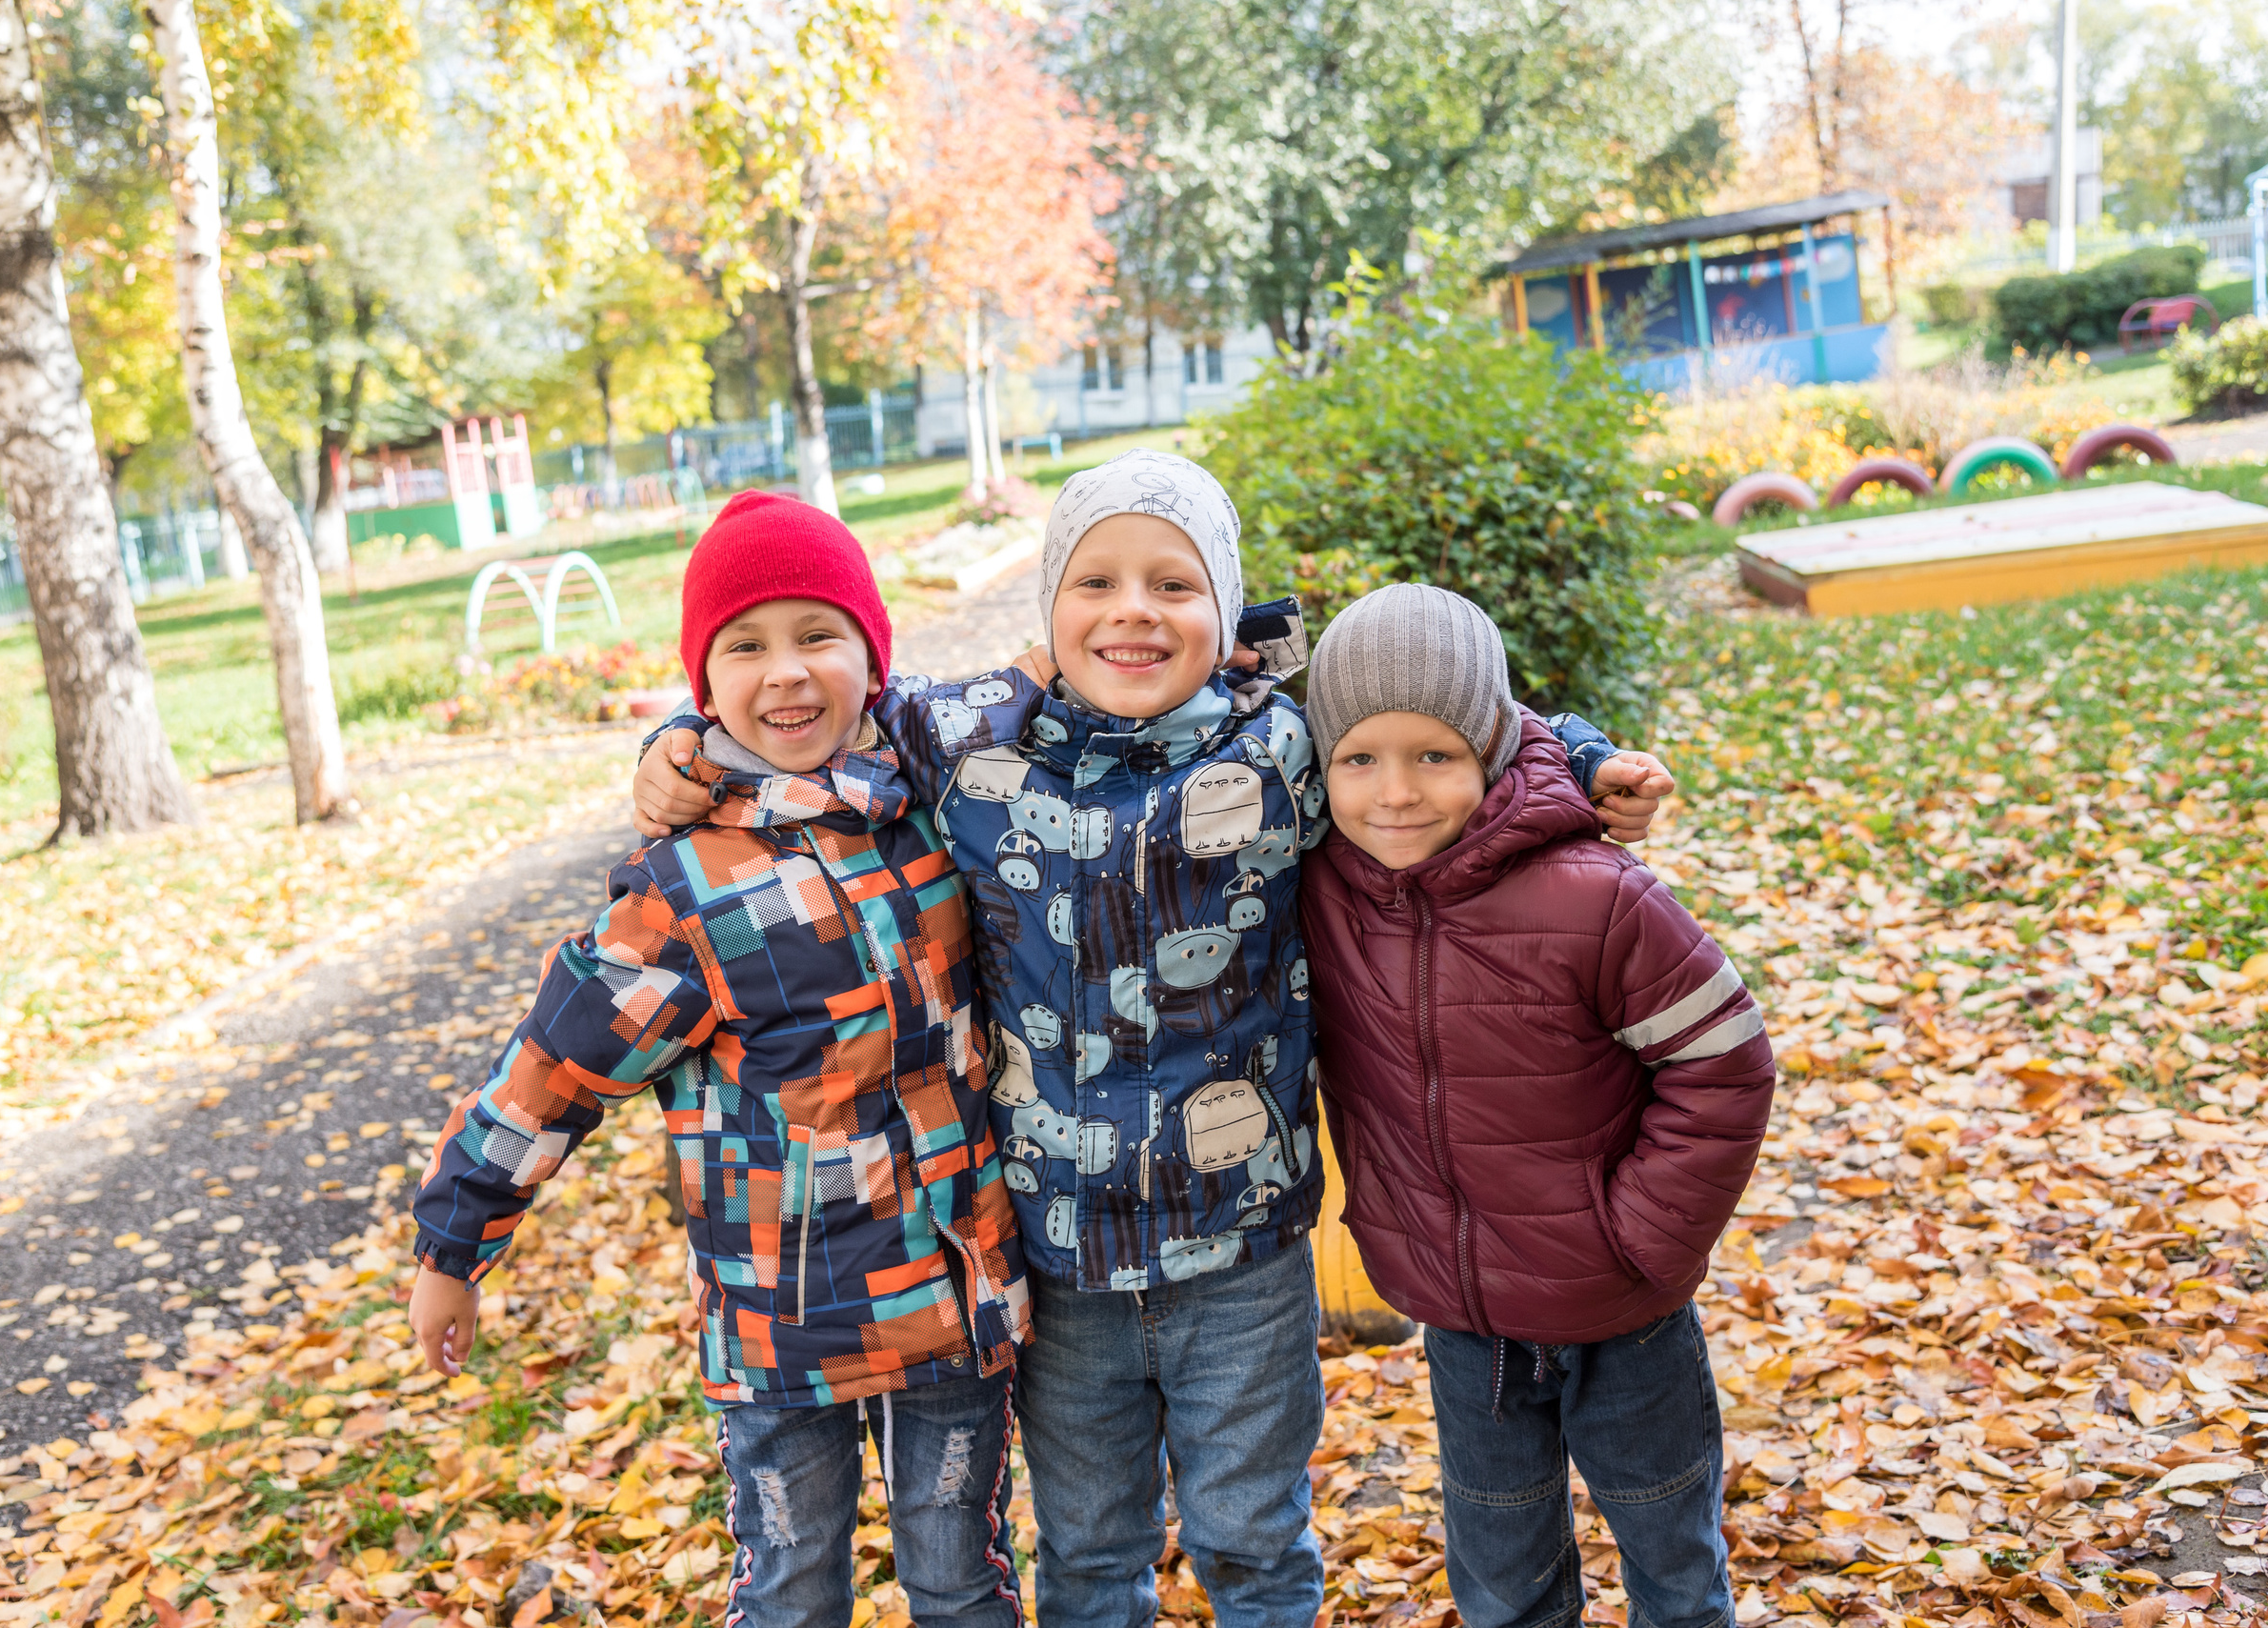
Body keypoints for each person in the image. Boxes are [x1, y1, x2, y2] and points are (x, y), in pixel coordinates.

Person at [632, 452, 1681, 1628]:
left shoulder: (1282, 746)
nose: (1133, 609)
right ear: (1050, 606)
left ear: (1224, 611)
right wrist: (681, 742)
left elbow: (1443, 702)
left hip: (1243, 1251)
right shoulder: (966, 745)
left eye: (1174, 585)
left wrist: (1583, 755)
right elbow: (801, 700)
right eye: (1097, 581)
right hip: (1057, 1254)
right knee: (1087, 1554)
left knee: (1253, 1537)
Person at [408, 491, 1031, 1628]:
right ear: (704, 687)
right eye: (745, 645)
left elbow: (1057, 683)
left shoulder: (932, 810)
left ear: (872, 660)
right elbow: (553, 1064)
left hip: (951, 1298)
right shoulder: (684, 888)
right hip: (779, 1330)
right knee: (791, 1590)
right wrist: (456, 1238)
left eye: (817, 636)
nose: (786, 673)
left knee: (965, 1582)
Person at [1298, 582, 1775, 1628]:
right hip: (1464, 1323)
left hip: (1623, 1312)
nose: (1394, 793)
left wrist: (1639, 1237)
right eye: (1359, 758)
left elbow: (1726, 1063)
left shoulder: (1597, 897)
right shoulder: (1320, 888)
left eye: (1434, 755)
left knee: (1672, 1562)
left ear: (1491, 749)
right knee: (1503, 1578)